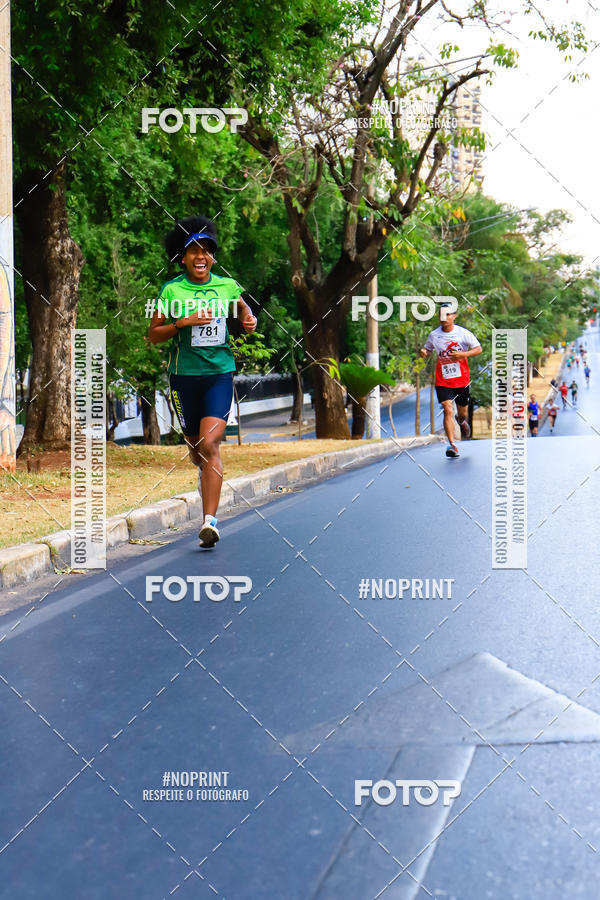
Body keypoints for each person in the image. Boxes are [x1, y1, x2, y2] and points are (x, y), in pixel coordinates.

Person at [148, 215, 257, 547]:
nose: (201, 256)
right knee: (197, 450)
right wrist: (184, 322)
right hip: (184, 380)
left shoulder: (226, 285)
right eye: (194, 250)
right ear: (183, 258)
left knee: (210, 444)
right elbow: (153, 335)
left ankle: (210, 521)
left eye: (206, 250)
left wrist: (249, 319)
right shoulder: (171, 290)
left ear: (212, 257)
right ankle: (203, 469)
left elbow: (243, 309)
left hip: (218, 376)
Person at [419, 304, 482, 458]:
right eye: (441, 315)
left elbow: (478, 348)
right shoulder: (434, 335)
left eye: (447, 315)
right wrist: (424, 352)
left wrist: (463, 355)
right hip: (443, 380)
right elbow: (427, 349)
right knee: (447, 408)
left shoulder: (463, 333)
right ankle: (452, 445)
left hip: (462, 380)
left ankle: (461, 421)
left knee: (462, 413)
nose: (444, 318)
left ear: (454, 316)